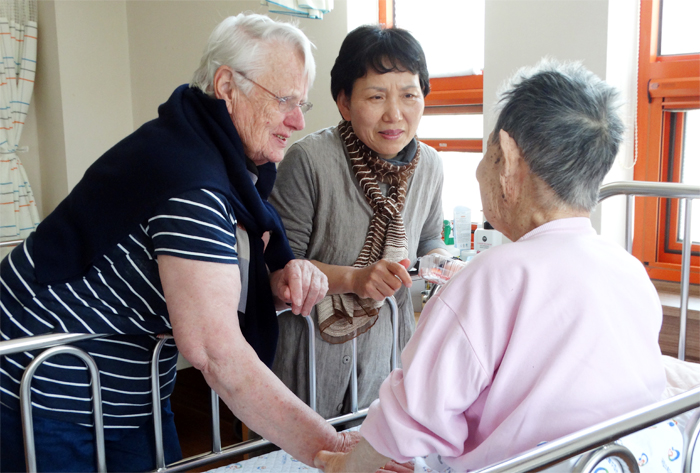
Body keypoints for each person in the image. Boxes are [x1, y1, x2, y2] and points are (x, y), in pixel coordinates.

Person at [0, 13, 359, 472]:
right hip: (47, 385)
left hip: (131, 385)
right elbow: (216, 351)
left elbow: (212, 278)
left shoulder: (215, 157)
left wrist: (274, 281)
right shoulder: (189, 178)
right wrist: (333, 449)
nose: (296, 119)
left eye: (301, 103)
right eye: (284, 100)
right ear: (227, 86)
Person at [314, 60, 667, 472]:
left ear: (509, 159)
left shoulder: (494, 276)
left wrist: (344, 467)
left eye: (488, 152)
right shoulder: (628, 269)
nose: (482, 169)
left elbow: (412, 415)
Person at [269, 25, 450, 420]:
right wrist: (355, 279)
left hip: (386, 350)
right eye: (376, 96)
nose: (394, 114)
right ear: (345, 103)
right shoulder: (309, 161)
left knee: (376, 441)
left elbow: (429, 239)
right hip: (311, 357)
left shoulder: (430, 165)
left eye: (409, 95)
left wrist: (444, 265)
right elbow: (280, 269)